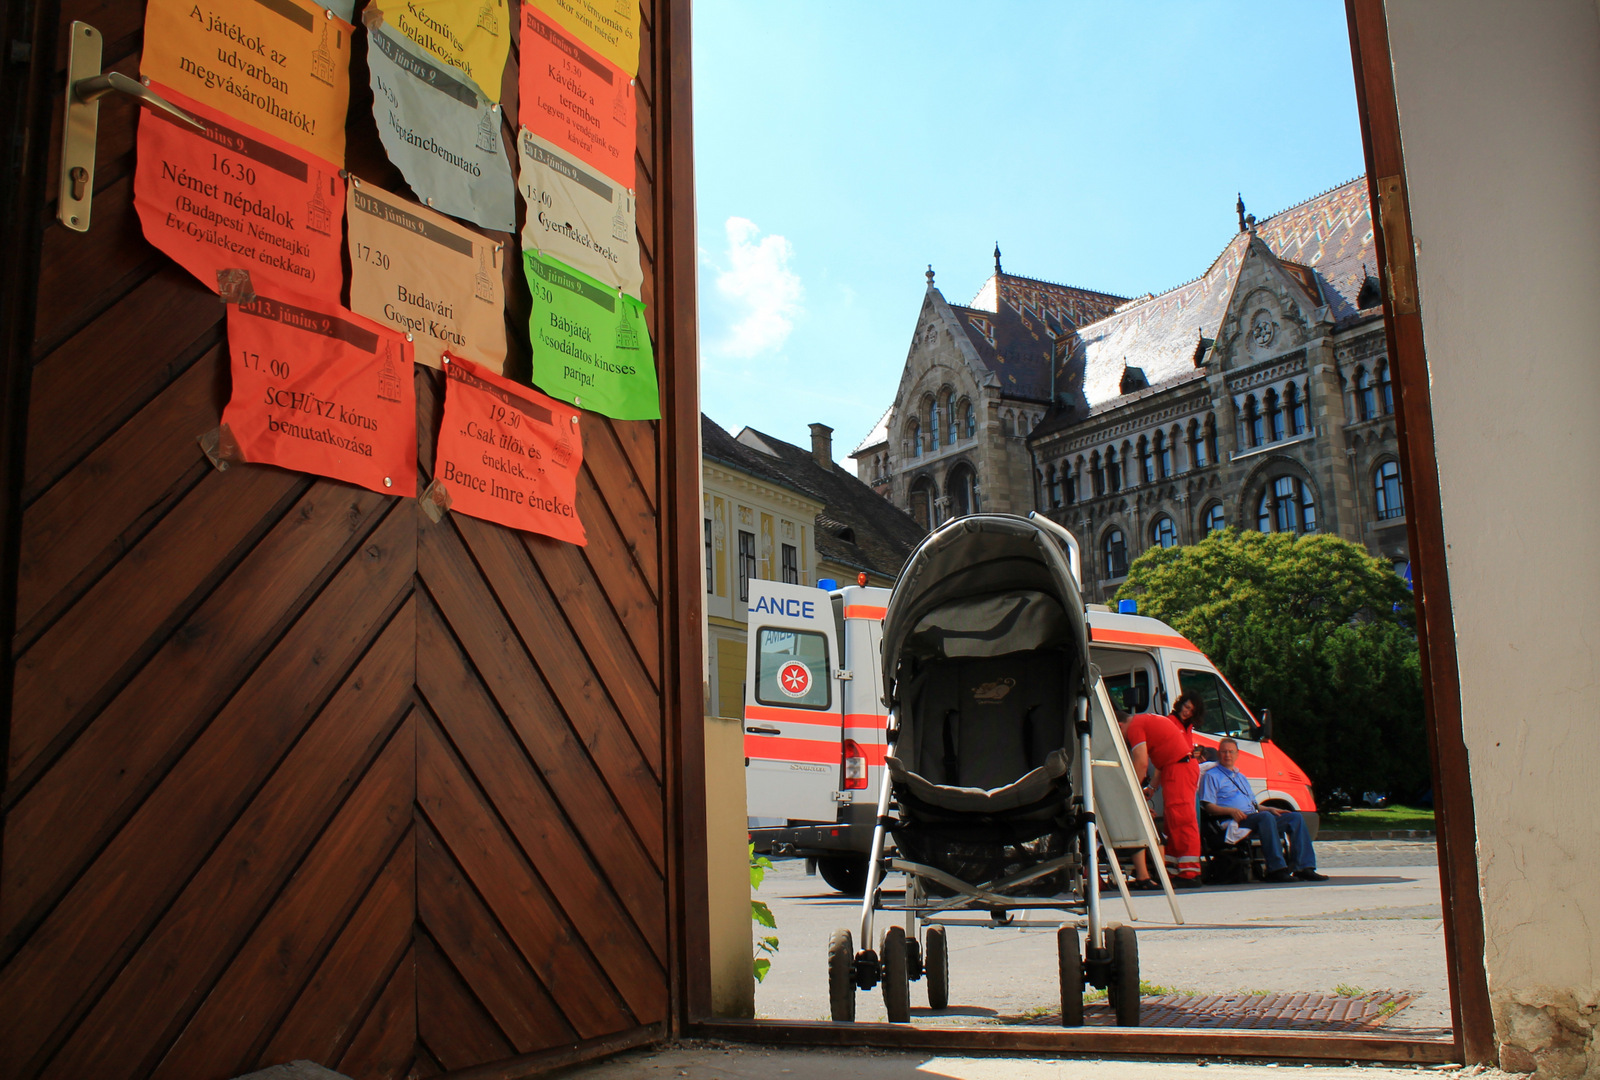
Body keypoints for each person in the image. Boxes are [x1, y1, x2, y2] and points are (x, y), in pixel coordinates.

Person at [1198, 737, 1329, 882]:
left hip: (1253, 817)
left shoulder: (1240, 776)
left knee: (1295, 818)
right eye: (1224, 752)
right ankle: (1276, 869)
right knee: (1265, 817)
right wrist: (1231, 811)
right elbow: (1208, 806)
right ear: (1219, 754)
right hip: (1233, 820)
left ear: (1237, 754)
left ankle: (1304, 868)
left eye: (1231, 752)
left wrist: (1269, 808)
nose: (1227, 755)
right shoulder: (1211, 776)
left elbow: (1252, 804)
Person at [1123, 694, 1206, 888]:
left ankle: (1189, 872)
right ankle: (1177, 870)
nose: (1187, 711)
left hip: (1179, 769)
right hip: (1175, 769)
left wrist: (1135, 789)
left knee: (1182, 819)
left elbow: (1144, 762)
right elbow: (1167, 758)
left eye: (1191, 710)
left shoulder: (1146, 724)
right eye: (1186, 707)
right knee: (1175, 820)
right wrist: (1152, 787)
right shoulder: (1170, 723)